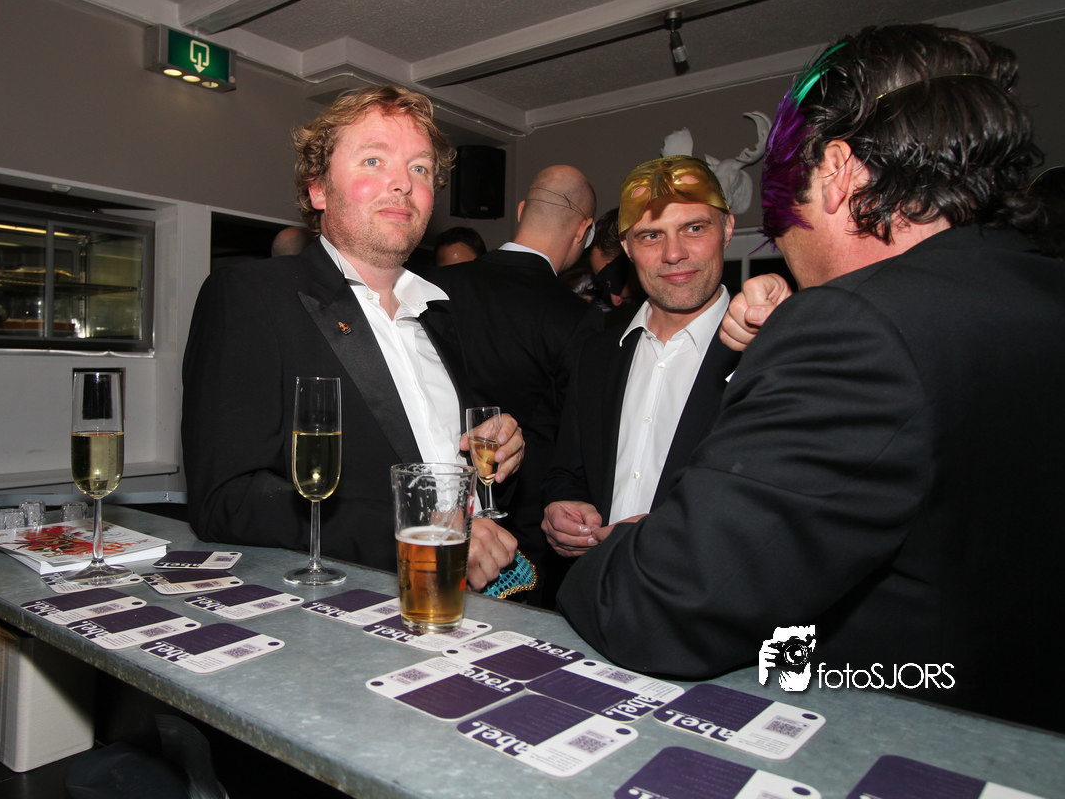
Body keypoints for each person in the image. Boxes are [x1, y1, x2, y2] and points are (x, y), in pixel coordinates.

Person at [556, 24, 1065, 732]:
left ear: (837, 172)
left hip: (897, 736)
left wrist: (626, 551)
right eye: (649, 236)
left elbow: (663, 604)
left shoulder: (849, 326)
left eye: (779, 207)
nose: (783, 241)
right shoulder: (1041, 290)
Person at [182, 85, 523, 589]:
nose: (402, 183)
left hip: (463, 602)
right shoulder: (250, 296)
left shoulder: (443, 317)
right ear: (318, 189)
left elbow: (457, 478)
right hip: (341, 606)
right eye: (373, 161)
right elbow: (225, 500)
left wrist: (498, 459)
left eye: (420, 168)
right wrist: (416, 534)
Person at [541, 156, 740, 561]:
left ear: (727, 229)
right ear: (628, 247)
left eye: (694, 228)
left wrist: (665, 534)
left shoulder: (769, 355)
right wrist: (563, 506)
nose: (674, 254)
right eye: (651, 235)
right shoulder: (597, 355)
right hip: (594, 586)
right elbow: (570, 470)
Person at [426, 165, 604, 604]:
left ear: (522, 210)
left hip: (430, 515)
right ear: (584, 231)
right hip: (524, 537)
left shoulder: (431, 286)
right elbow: (577, 439)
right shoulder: (578, 317)